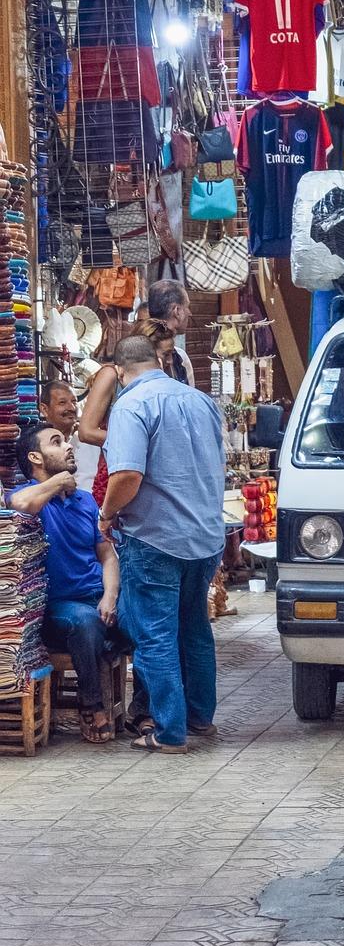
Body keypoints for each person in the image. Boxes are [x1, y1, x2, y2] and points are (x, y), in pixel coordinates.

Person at [99, 336, 225, 753]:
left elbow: (127, 476)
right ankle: (200, 718)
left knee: (155, 636)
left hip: (155, 539)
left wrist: (106, 513)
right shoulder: (200, 400)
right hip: (205, 537)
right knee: (194, 629)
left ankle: (170, 732)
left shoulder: (131, 405)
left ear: (119, 372)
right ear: (158, 361)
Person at [7, 424, 149, 744]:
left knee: (146, 620)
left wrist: (111, 597)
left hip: (97, 597)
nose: (68, 446)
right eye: (56, 443)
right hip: (58, 608)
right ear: (36, 457)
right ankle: (91, 704)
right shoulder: (26, 496)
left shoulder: (84, 501)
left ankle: (143, 709)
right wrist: (57, 481)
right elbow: (20, 503)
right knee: (85, 623)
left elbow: (108, 557)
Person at [79, 319, 184, 507]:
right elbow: (86, 431)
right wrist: (134, 443)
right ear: (147, 352)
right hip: (120, 470)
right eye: (166, 354)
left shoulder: (166, 378)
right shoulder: (111, 375)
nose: (170, 360)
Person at [147, 279, 195, 386]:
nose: (190, 313)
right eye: (187, 307)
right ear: (177, 311)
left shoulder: (180, 357)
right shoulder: (144, 356)